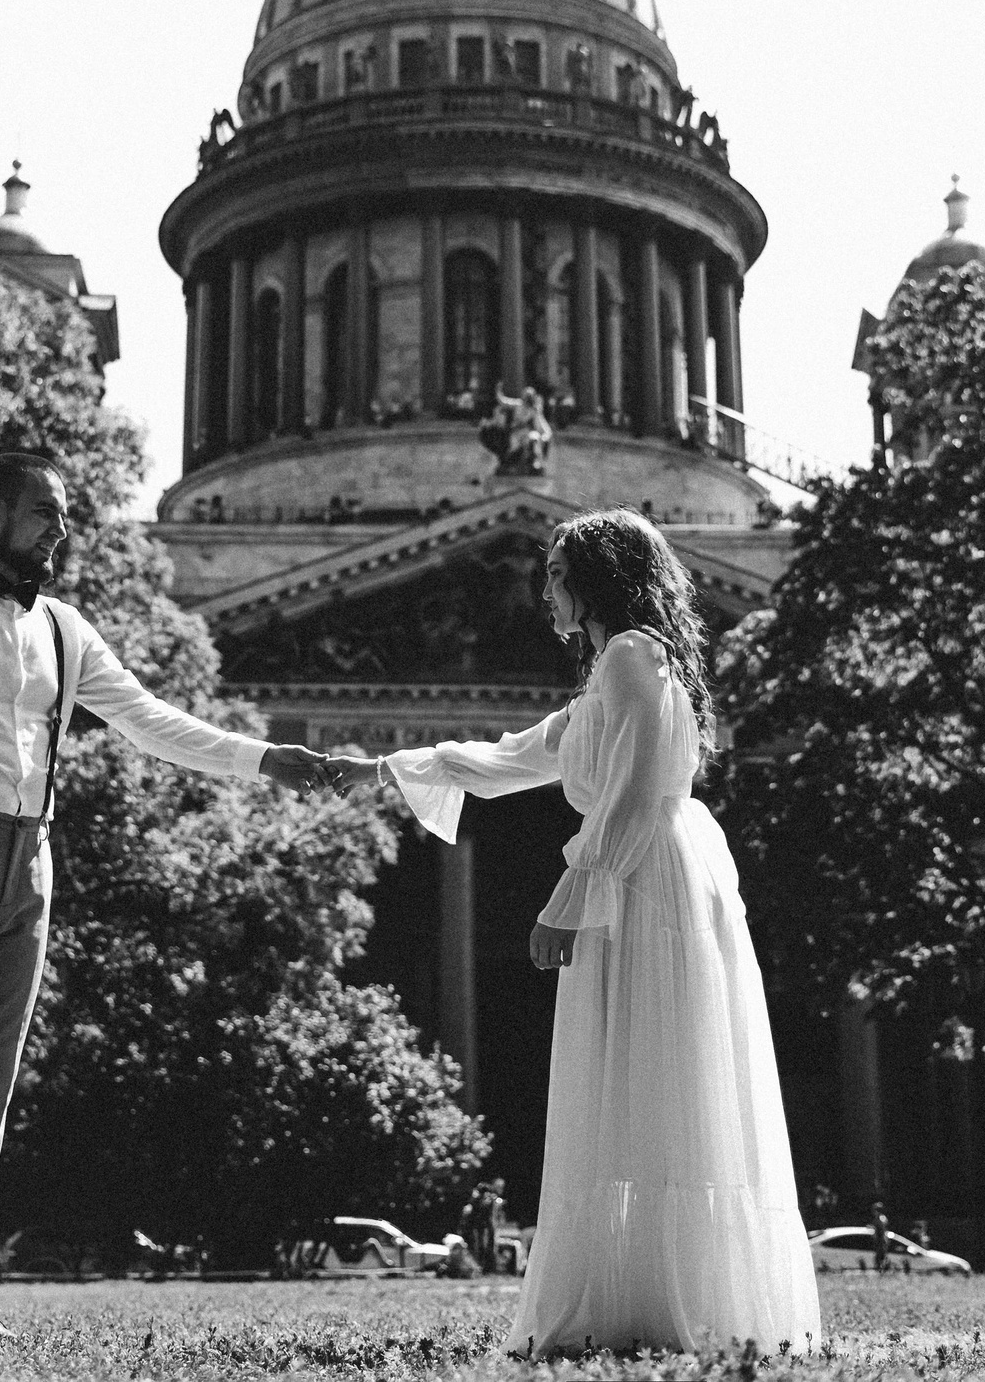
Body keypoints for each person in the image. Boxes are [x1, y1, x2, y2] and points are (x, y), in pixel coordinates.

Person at [0, 453, 329, 1343]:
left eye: (64, 520)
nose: (60, 533)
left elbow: (148, 718)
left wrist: (260, 758)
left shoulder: (63, 627)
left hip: (29, 861)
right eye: (43, 516)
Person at [327, 509, 820, 1356]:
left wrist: (566, 893)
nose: (543, 590)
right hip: (637, 872)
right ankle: (649, 1296)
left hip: (643, 879)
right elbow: (509, 757)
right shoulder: (612, 670)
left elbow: (631, 790)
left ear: (593, 577)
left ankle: (671, 1299)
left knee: (654, 1074)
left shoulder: (632, 653)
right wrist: (377, 767)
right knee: (638, 1081)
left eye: (555, 574)